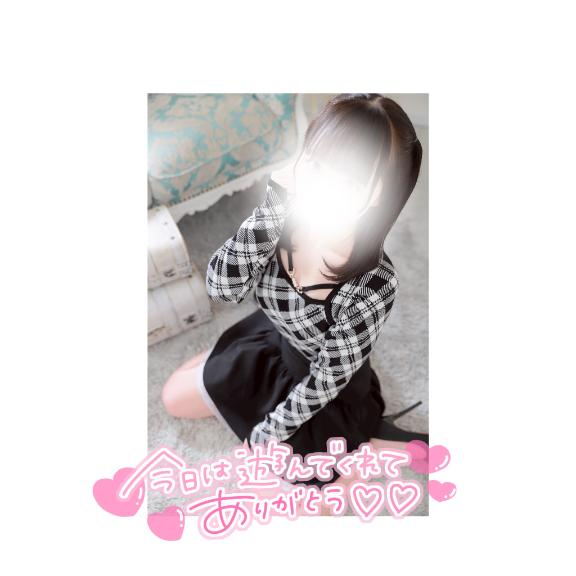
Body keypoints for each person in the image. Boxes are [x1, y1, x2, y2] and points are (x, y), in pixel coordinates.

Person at [162, 93, 428, 492]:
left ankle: (368, 444)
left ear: (381, 195)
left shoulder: (374, 284)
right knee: (173, 398)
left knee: (302, 499)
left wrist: (267, 434)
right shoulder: (279, 216)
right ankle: (228, 361)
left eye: (350, 179)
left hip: (327, 389)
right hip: (274, 344)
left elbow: (325, 381)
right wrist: (273, 206)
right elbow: (222, 289)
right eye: (317, 164)